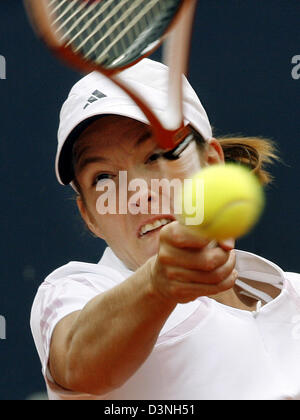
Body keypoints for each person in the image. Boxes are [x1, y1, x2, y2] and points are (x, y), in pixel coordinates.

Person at [31, 59, 300, 400]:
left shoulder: (295, 294)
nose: (137, 193)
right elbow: (77, 365)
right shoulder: (73, 293)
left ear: (212, 164)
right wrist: (158, 284)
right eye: (102, 178)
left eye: (157, 155)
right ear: (89, 216)